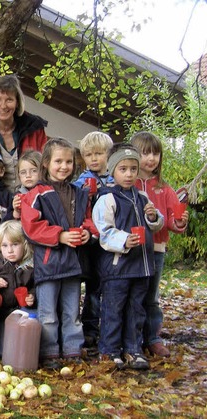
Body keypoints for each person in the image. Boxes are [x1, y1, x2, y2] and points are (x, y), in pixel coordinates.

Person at [20, 138, 97, 369]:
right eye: (58, 161)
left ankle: (73, 349)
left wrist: (87, 234)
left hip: (73, 263)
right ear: (46, 163)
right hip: (49, 263)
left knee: (72, 310)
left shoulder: (79, 193)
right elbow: (31, 227)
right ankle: (49, 351)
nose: (64, 166)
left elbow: (89, 220)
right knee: (48, 312)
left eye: (69, 161)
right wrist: (60, 235)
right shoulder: (36, 193)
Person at [92, 144, 164, 369]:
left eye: (133, 169)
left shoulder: (142, 197)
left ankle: (133, 349)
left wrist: (154, 217)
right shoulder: (108, 198)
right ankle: (109, 350)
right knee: (114, 309)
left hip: (141, 266)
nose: (129, 174)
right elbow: (103, 230)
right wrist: (123, 240)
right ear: (113, 171)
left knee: (136, 309)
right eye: (123, 169)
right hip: (118, 266)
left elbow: (155, 224)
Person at [132, 132, 189, 357]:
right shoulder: (129, 183)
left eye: (155, 153)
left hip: (156, 249)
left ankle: (153, 338)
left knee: (152, 297)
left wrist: (179, 222)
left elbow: (174, 220)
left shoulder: (164, 189)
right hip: (133, 250)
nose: (151, 158)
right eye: (145, 153)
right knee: (135, 296)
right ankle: (133, 339)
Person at [72, 131, 115, 356]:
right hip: (90, 244)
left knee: (108, 286)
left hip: (111, 242)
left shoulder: (115, 179)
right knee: (90, 287)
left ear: (108, 154)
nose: (94, 159)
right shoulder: (80, 182)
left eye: (98, 154)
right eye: (89, 155)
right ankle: (89, 328)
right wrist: (85, 194)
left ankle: (109, 329)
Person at [0, 220, 35, 354]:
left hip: (22, 312)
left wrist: (33, 296)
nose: (10, 250)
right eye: (4, 246)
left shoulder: (31, 263)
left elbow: (37, 284)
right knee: (1, 346)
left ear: (24, 244)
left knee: (19, 344)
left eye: (15, 244)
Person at [11, 150, 42, 218]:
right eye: (23, 172)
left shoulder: (46, 193)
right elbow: (12, 220)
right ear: (19, 175)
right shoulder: (18, 195)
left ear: (42, 172)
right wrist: (16, 210)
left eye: (34, 171)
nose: (28, 175)